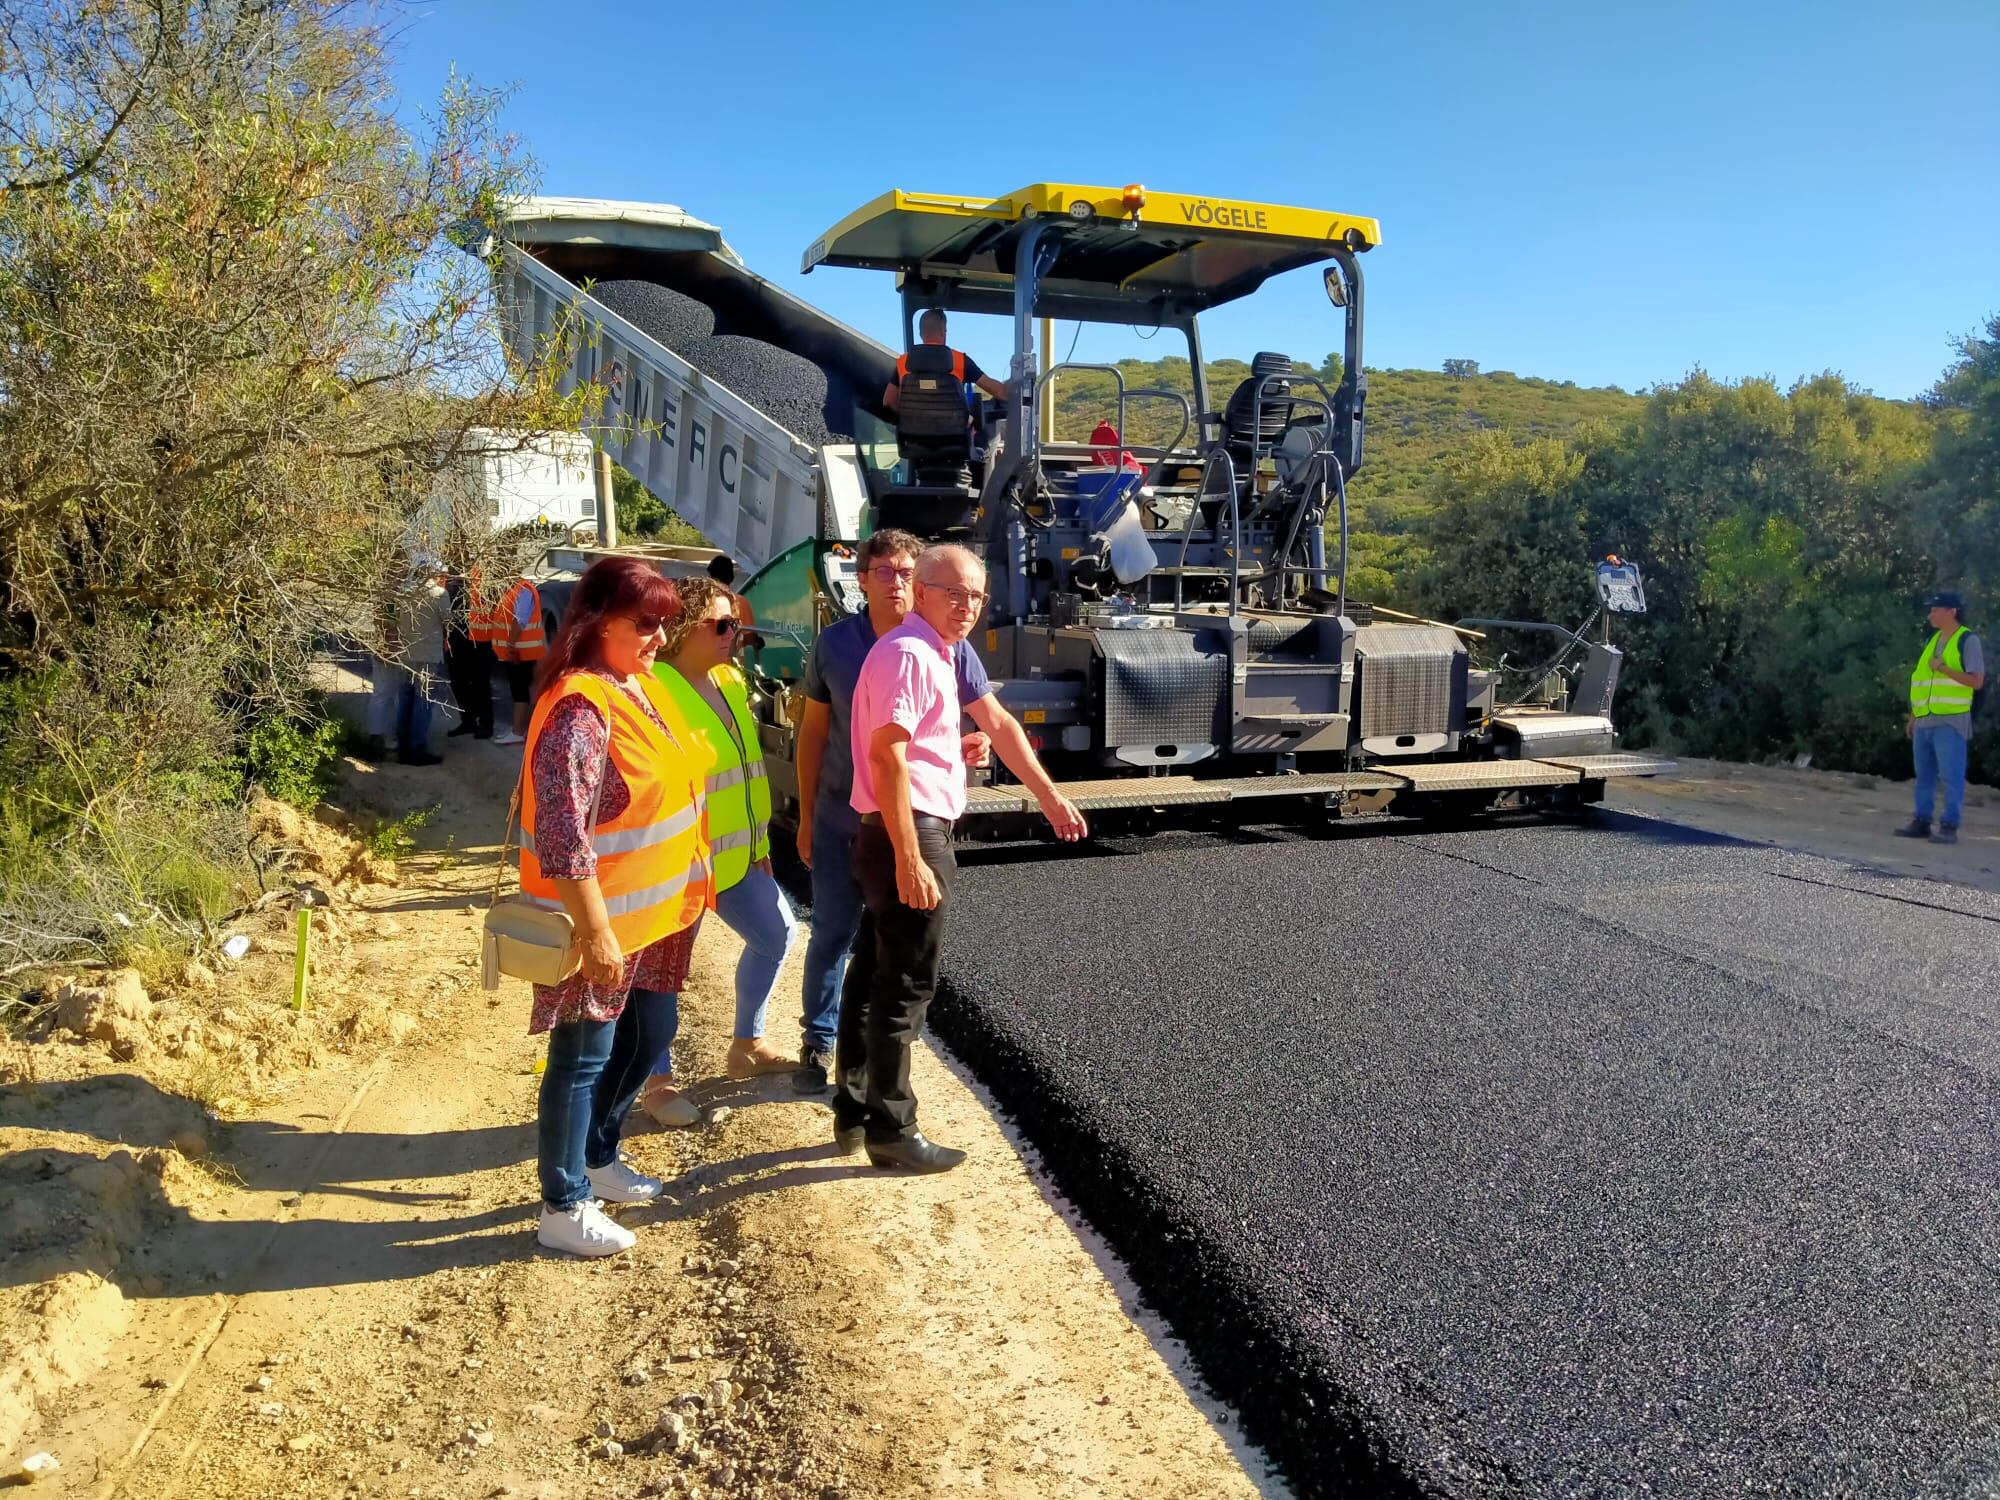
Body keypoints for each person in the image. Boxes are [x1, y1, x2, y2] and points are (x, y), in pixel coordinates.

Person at [837, 544, 1087, 1172]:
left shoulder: (933, 654)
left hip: (895, 830)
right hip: (911, 832)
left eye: (977, 595)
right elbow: (887, 755)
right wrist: (909, 856)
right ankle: (893, 1130)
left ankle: (855, 1107)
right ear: (920, 591)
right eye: (954, 592)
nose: (968, 606)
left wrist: (1049, 797)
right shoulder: (911, 656)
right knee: (906, 986)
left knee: (871, 972)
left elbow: (991, 727)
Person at [517, 557, 713, 1257]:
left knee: (646, 1035)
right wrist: (597, 934)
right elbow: (562, 834)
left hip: (653, 917)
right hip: (598, 923)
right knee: (580, 1058)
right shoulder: (579, 706)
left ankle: (600, 1158)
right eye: (645, 623)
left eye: (666, 624)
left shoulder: (639, 684)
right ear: (597, 620)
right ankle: (563, 1205)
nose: (659, 637)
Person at [794, 528, 992, 1091]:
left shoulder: (948, 647)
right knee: (835, 934)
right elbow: (816, 736)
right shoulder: (839, 645)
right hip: (843, 817)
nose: (898, 583)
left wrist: (962, 747)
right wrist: (806, 815)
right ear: (862, 580)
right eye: (886, 572)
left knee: (876, 951)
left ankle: (857, 1094)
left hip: (896, 818)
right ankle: (819, 1044)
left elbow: (934, 734)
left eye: (908, 572)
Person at [649, 577, 797, 1106]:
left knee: (778, 935)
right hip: (680, 863)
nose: (734, 632)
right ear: (683, 627)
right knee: (663, 974)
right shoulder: (652, 689)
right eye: (721, 624)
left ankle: (747, 1046)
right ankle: (657, 1083)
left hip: (735, 858)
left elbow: (747, 769)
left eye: (733, 622)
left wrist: (760, 847)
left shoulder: (730, 679)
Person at [1897, 590, 1984, 846]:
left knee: (1951, 775)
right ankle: (1922, 821)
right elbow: (1924, 682)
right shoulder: (1933, 641)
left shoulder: (1967, 640)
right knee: (1923, 775)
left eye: (1935, 610)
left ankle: (1949, 825)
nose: (1930, 615)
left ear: (1951, 611)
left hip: (1950, 721)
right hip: (1925, 720)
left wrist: (1944, 668)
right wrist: (1914, 716)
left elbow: (1976, 680)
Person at [390, 568, 450, 766]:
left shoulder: (404, 591)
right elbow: (448, 621)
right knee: (423, 702)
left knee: (405, 699)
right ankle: (417, 749)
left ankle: (403, 747)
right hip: (428, 656)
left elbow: (396, 618)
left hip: (406, 653)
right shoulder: (439, 593)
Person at [443, 552, 496, 740]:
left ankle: (486, 724)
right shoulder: (446, 576)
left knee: (480, 683)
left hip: (476, 637)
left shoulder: (480, 575)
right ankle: (468, 721)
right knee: (458, 682)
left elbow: (491, 604)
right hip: (453, 636)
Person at [492, 573, 546, 747]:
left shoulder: (522, 590)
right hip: (521, 651)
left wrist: (509, 645)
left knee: (521, 692)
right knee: (521, 690)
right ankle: (521, 730)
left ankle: (518, 732)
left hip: (522, 652)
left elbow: (520, 620)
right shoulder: (517, 589)